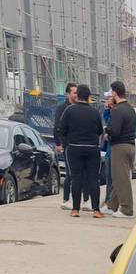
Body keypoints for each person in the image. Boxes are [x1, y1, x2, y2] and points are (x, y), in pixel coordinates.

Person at [57, 84, 103, 218]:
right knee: (93, 178)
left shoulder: (69, 110)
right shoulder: (94, 112)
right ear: (89, 97)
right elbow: (100, 130)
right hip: (92, 149)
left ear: (78, 96)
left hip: (74, 148)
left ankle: (75, 209)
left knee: (76, 178)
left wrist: (68, 140)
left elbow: (61, 129)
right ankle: (96, 210)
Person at [104, 80, 136, 218]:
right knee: (120, 177)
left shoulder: (117, 110)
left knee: (121, 179)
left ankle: (127, 209)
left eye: (111, 91)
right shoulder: (130, 109)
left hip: (119, 147)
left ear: (115, 93)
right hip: (130, 146)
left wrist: (107, 131)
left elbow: (115, 131)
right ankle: (111, 205)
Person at [54, 82, 77, 209]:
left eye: (77, 92)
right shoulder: (62, 108)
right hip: (67, 144)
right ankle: (66, 199)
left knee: (78, 173)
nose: (76, 95)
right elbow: (57, 126)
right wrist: (58, 143)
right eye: (74, 92)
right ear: (68, 94)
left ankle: (79, 199)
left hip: (78, 144)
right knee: (70, 173)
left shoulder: (79, 107)